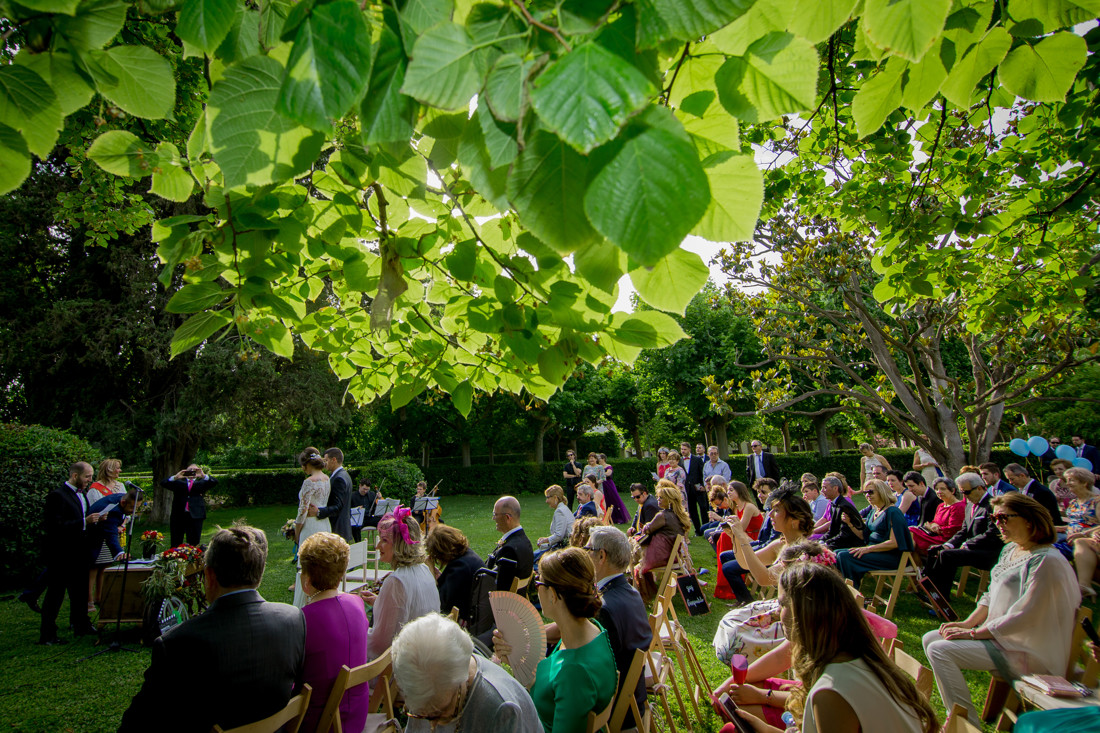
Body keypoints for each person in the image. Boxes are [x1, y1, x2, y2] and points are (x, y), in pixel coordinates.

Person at [119, 524, 305, 733]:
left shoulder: (177, 643)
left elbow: (136, 723)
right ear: (260, 572)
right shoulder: (293, 619)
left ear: (209, 575)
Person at [726, 563, 938, 733]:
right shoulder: (861, 660)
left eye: (782, 604)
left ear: (805, 613)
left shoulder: (830, 692)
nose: (777, 614)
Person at [922, 494, 1080, 722]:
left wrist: (974, 633)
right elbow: (990, 593)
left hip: (1028, 646)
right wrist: (968, 623)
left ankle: (963, 722)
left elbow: (1026, 615)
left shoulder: (1047, 561)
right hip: (1002, 636)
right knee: (930, 638)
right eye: (994, 518)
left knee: (940, 650)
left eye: (1004, 518)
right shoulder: (1010, 550)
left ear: (1029, 520)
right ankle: (959, 717)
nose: (998, 524)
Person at [394, 613, 542, 733]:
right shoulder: (421, 682)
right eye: (422, 715)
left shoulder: (502, 710)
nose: (433, 726)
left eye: (443, 711)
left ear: (462, 678)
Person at [528, 548, 617, 733]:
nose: (536, 587)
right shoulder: (591, 631)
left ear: (553, 594)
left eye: (538, 582)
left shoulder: (574, 673)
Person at [298, 532, 369, 733]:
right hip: (357, 713)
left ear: (306, 577)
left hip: (320, 722)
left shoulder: (303, 619)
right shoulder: (357, 603)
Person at [586, 527, 652, 729]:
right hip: (633, 698)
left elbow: (593, 672)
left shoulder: (605, 608)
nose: (585, 554)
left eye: (588, 549)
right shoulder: (629, 591)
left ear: (601, 556)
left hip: (614, 711)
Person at [357, 506, 439, 659]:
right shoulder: (423, 570)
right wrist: (380, 602)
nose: (377, 546)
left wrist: (356, 624)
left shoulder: (396, 582)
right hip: (426, 654)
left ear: (399, 545)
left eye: (384, 540)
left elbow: (381, 644)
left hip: (405, 664)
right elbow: (411, 609)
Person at [720, 486, 818, 605]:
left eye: (776, 510)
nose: (770, 514)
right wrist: (735, 537)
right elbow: (744, 563)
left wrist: (742, 537)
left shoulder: (802, 552)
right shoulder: (781, 543)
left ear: (794, 520)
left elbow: (764, 579)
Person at [39, 462, 99, 645]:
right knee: (55, 594)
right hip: (62, 554)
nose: (90, 480)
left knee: (80, 591)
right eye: (87, 476)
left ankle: (81, 624)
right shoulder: (57, 496)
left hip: (80, 552)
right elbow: (55, 527)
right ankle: (47, 633)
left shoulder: (82, 494)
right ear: (75, 476)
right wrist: (85, 522)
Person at [923, 472, 1002, 601]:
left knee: (947, 556)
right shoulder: (969, 505)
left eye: (967, 492)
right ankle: (930, 590)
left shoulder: (992, 505)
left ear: (980, 488)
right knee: (935, 550)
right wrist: (948, 545)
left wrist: (967, 544)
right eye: (962, 492)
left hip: (989, 551)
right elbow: (964, 530)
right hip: (974, 548)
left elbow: (993, 533)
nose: (964, 496)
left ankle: (941, 597)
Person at [835, 479, 914, 586]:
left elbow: (894, 543)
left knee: (844, 556)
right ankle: (843, 587)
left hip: (891, 556)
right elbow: (863, 536)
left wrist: (868, 549)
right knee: (836, 553)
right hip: (875, 552)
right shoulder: (874, 511)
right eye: (865, 493)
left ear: (882, 492)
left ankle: (851, 590)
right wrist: (850, 523)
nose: (868, 495)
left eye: (871, 492)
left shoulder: (893, 512)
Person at [633, 484, 691, 603]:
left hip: (661, 556)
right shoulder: (678, 515)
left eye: (661, 498)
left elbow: (647, 529)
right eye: (658, 497)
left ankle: (641, 594)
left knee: (635, 559)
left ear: (669, 500)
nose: (658, 500)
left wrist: (646, 526)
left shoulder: (662, 515)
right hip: (674, 556)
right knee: (637, 552)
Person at [85, 488, 138, 613]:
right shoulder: (113, 511)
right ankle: (86, 604)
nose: (133, 511)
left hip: (99, 536)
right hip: (89, 538)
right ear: (124, 503)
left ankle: (98, 599)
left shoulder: (121, 498)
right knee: (90, 569)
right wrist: (119, 553)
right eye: (132, 508)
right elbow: (111, 535)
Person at [292, 447, 331, 607]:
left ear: (307, 464)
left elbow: (302, 511)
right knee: (322, 563)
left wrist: (297, 531)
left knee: (306, 566)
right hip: (324, 523)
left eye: (303, 465)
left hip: (311, 526)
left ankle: (303, 604)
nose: (303, 469)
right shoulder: (327, 479)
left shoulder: (309, 482)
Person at [425, 524, 485, 624]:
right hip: (477, 618)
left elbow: (440, 605)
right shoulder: (468, 556)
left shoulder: (460, 568)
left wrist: (432, 576)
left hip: (464, 621)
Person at [161, 463, 216, 547]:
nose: (192, 472)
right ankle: (175, 554)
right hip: (179, 515)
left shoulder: (201, 482)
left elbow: (214, 482)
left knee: (194, 542)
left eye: (195, 470)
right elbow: (163, 483)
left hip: (196, 515)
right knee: (176, 540)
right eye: (190, 470)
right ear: (185, 471)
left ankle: (193, 554)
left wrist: (203, 475)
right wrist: (176, 477)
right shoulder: (178, 482)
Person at [909, 477, 966, 559]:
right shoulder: (941, 506)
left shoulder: (958, 506)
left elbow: (954, 529)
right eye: (936, 489)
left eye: (943, 489)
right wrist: (932, 526)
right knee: (909, 532)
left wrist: (936, 529)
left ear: (952, 490)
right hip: (934, 534)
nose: (939, 492)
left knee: (911, 532)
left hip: (947, 539)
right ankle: (916, 563)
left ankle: (909, 563)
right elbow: (933, 522)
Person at [486, 496, 535, 591]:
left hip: (505, 600)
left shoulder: (509, 550)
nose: (493, 518)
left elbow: (497, 588)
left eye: (495, 514)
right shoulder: (525, 541)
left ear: (507, 517)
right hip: (520, 597)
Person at [1064, 468, 1100, 596]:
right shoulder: (1073, 502)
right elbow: (1073, 523)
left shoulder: (1096, 501)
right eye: (1067, 480)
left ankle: (1082, 586)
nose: (1067, 483)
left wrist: (1084, 533)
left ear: (1084, 483)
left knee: (1057, 548)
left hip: (1086, 537)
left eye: (1071, 480)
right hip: (1069, 536)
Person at [308, 447, 352, 543]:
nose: (324, 463)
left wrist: (319, 512)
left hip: (337, 528)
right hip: (342, 527)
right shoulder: (344, 475)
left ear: (334, 460)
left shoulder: (339, 478)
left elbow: (338, 506)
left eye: (326, 460)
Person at [1003, 463, 1062, 527]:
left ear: (1022, 476)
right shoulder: (1023, 490)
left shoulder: (1041, 491)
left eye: (1012, 479)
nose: (1010, 482)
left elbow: (1042, 516)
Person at [819, 474, 865, 551]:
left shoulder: (844, 507)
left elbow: (846, 534)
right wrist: (821, 540)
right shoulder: (833, 504)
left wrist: (827, 544)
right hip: (840, 540)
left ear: (835, 488)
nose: (822, 491)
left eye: (825, 488)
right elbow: (832, 531)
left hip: (851, 543)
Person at [537, 485, 574, 557]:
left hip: (565, 549)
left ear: (555, 498)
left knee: (535, 557)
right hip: (564, 546)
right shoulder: (564, 508)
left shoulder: (560, 511)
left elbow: (559, 535)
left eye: (548, 497)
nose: (546, 501)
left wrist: (545, 540)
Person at [681, 440, 708, 535]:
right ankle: (698, 530)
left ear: (689, 449)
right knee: (692, 510)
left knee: (703, 508)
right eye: (682, 449)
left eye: (685, 449)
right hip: (687, 489)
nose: (683, 451)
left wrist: (703, 485)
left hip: (698, 488)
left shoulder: (697, 459)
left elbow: (702, 473)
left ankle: (705, 528)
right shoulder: (680, 461)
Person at [597, 453, 630, 524]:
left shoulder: (608, 466)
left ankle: (618, 518)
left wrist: (601, 473)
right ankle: (606, 517)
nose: (598, 460)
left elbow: (608, 473)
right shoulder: (598, 467)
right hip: (601, 485)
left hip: (608, 485)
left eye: (599, 459)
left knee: (613, 499)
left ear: (603, 459)